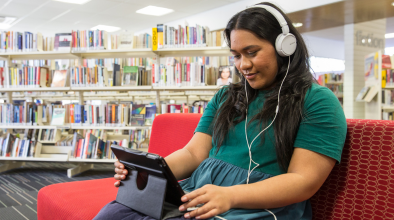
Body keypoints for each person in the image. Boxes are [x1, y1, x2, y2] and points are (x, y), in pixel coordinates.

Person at [95, 2, 347, 220]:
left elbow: (303, 181)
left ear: (285, 47)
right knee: (115, 212)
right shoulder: (227, 96)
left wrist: (230, 195)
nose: (243, 65)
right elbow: (194, 153)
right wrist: (149, 172)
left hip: (259, 206)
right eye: (236, 55)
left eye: (252, 52)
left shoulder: (317, 101)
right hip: (203, 193)